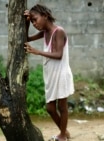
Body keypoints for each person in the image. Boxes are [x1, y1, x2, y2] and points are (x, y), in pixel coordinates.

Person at [24, 4, 74, 141]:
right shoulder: (45, 32)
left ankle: (62, 135)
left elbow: (58, 55)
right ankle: (65, 132)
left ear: (45, 16)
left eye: (35, 19)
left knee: (62, 107)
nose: (35, 23)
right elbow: (26, 38)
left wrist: (37, 51)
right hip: (51, 75)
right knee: (50, 108)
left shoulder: (59, 32)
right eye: (32, 21)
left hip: (61, 73)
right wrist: (27, 23)